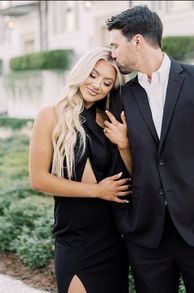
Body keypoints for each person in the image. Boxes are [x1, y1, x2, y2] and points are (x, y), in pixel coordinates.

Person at [104, 5, 194, 293]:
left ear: (137, 40)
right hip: (146, 236)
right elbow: (119, 162)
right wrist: (126, 221)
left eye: (115, 44)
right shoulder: (124, 96)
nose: (112, 53)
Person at [29, 47, 131, 293]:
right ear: (81, 71)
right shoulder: (50, 116)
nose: (97, 85)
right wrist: (97, 191)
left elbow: (133, 176)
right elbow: (39, 180)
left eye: (107, 82)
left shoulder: (108, 121)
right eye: (93, 75)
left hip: (112, 238)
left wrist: (125, 145)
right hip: (74, 238)